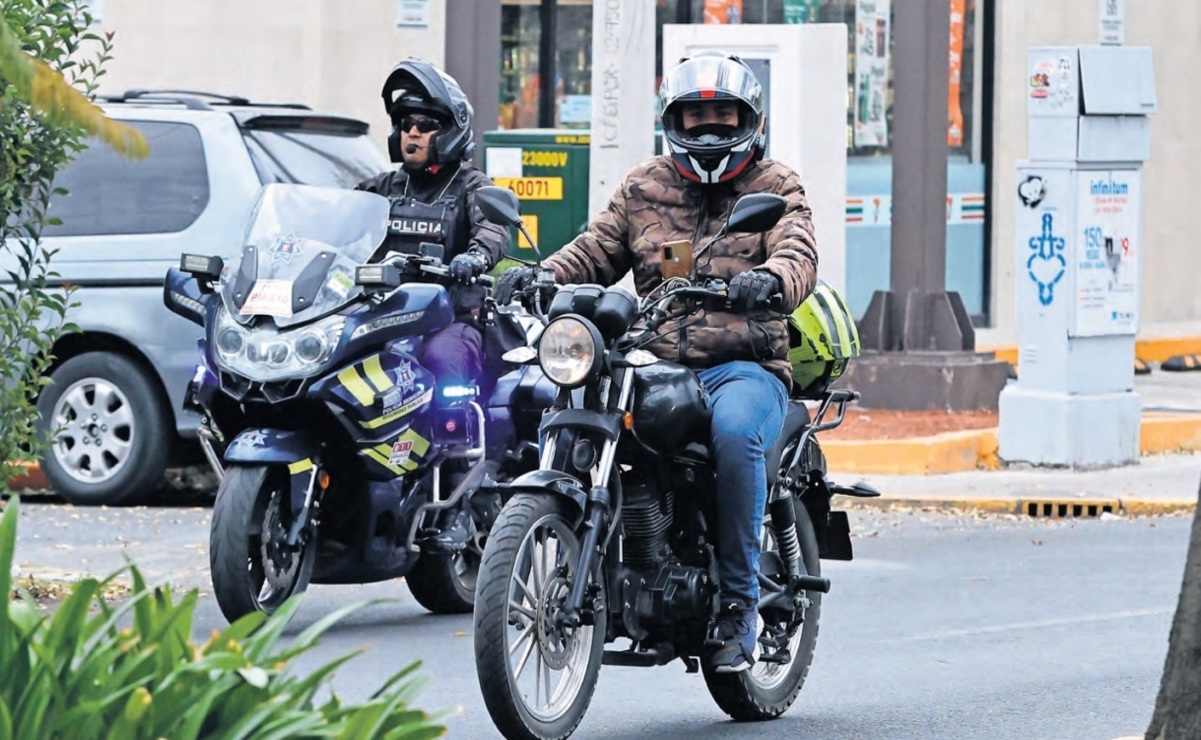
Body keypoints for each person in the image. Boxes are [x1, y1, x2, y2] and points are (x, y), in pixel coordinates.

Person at [495, 51, 819, 673]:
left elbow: (798, 251)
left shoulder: (776, 186)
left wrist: (772, 281)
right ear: (673, 120)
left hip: (742, 366)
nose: (708, 131)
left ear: (750, 120)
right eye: (694, 117)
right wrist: (536, 275)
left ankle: (737, 608)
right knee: (571, 401)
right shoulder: (645, 186)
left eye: (723, 117)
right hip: (655, 356)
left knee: (733, 435)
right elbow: (594, 250)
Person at [357, 57, 510, 552]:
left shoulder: (471, 187)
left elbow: (494, 228)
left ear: (452, 131)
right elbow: (337, 224)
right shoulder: (383, 188)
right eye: (406, 125)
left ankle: (460, 501)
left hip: (451, 321)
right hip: (382, 320)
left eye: (426, 125)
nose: (413, 134)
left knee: (444, 371)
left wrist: (475, 256)